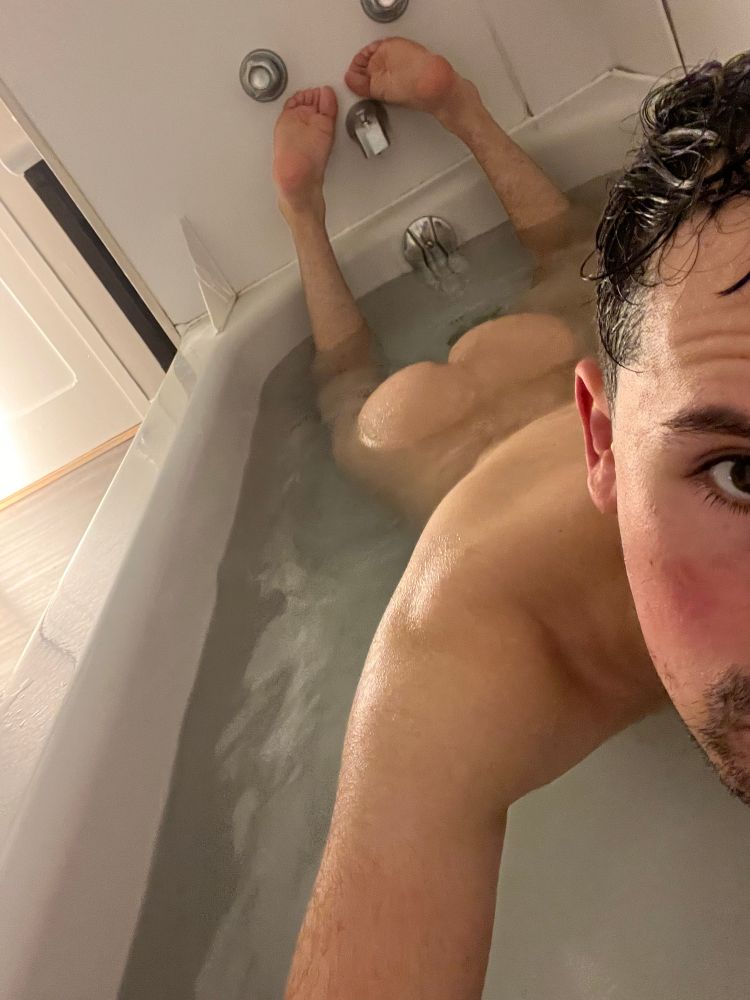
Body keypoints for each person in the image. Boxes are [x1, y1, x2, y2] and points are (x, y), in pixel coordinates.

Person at [272, 37, 750, 999]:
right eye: (740, 475)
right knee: (359, 414)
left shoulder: (690, 373)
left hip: (565, 384)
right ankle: (307, 212)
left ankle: (450, 119)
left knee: (567, 271)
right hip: (435, 449)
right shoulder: (467, 629)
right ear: (601, 445)